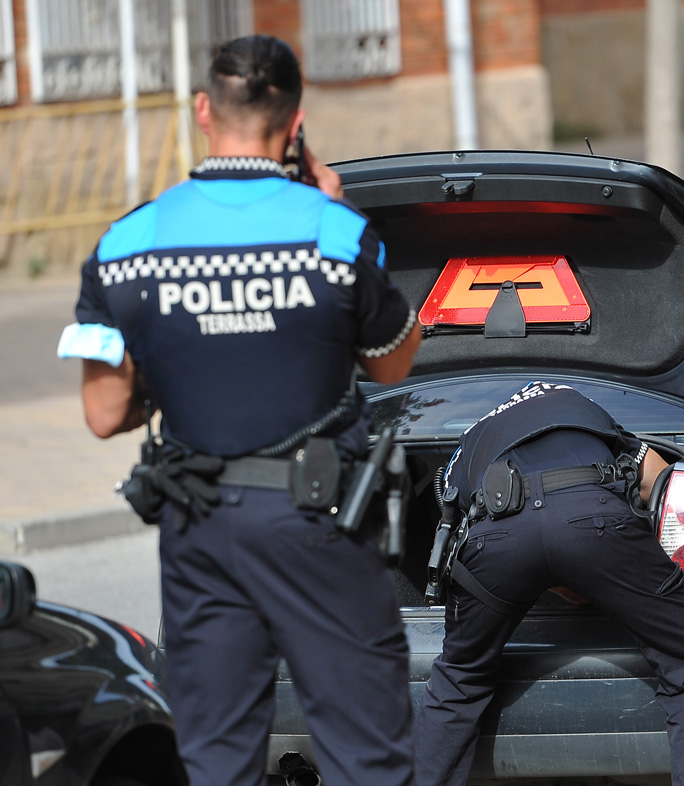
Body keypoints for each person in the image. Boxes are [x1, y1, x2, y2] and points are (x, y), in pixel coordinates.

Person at [56, 35, 420, 786]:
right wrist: (338, 212)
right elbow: (391, 359)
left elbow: (103, 410)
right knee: (367, 755)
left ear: (202, 110)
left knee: (216, 760)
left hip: (200, 527)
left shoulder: (125, 244)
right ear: (294, 124)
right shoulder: (337, 234)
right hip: (320, 520)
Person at [415, 380, 684, 786]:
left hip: (495, 538)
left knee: (458, 677)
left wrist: (553, 576)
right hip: (594, 517)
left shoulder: (470, 442)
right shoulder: (581, 409)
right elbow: (660, 479)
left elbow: (453, 528)